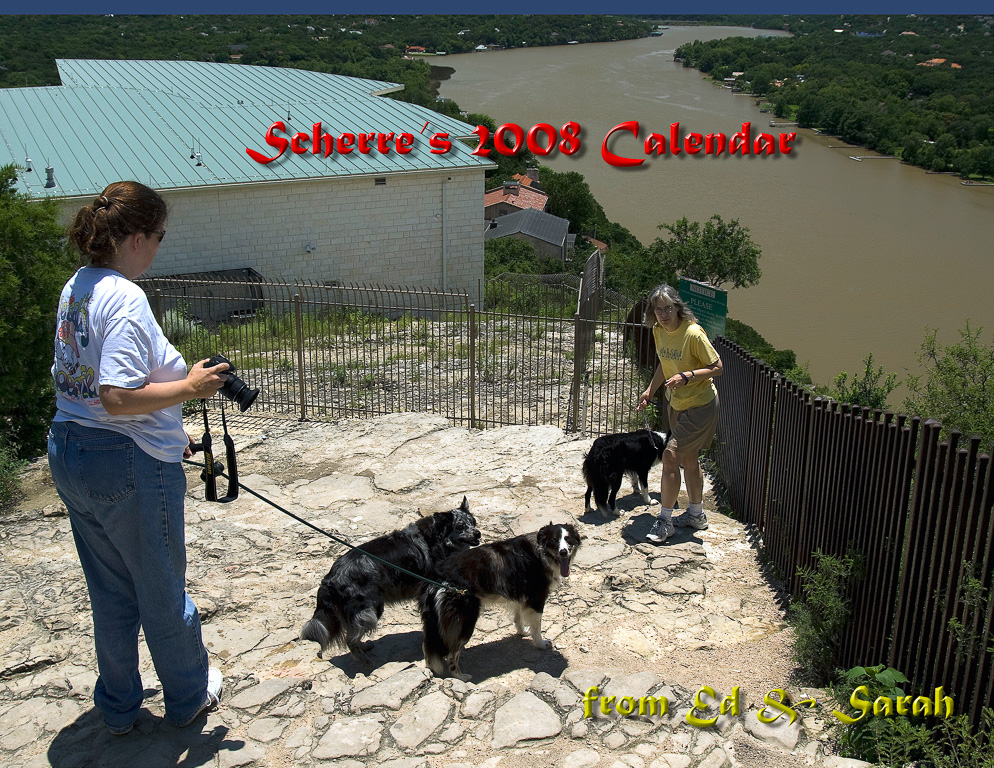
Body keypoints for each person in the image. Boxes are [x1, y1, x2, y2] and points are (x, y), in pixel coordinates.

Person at [47, 181, 229, 734]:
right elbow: (118, 396)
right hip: (125, 460)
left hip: (70, 450)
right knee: (160, 589)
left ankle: (120, 707)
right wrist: (192, 389)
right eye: (159, 237)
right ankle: (187, 695)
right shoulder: (125, 297)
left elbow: (88, 383)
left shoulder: (76, 286)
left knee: (111, 592)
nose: (158, 248)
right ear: (135, 238)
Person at [636, 284, 723, 544]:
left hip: (700, 405)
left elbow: (717, 366)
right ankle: (696, 514)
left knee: (671, 456)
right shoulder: (658, 330)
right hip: (677, 404)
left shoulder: (693, 334)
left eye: (668, 308)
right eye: (658, 309)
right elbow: (665, 362)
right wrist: (650, 391)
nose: (663, 314)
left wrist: (688, 376)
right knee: (689, 458)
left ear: (677, 307)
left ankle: (665, 520)